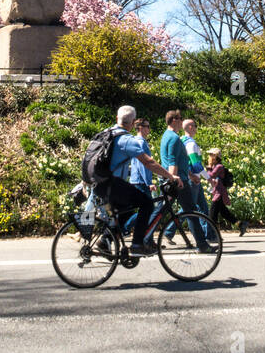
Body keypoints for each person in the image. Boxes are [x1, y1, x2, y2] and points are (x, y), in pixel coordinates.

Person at [102, 105, 181, 255]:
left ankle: (105, 240)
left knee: (126, 210)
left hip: (100, 182)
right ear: (133, 123)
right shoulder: (126, 139)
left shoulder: (107, 133)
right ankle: (138, 245)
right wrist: (170, 176)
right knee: (147, 204)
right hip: (112, 184)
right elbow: (148, 163)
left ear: (116, 119)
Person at [160, 110, 214, 249]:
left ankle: (147, 238)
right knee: (190, 212)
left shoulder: (172, 137)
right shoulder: (178, 139)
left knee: (167, 209)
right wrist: (175, 179)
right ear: (174, 120)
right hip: (180, 180)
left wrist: (189, 175)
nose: (196, 128)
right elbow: (178, 162)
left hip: (182, 178)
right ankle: (202, 244)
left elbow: (182, 162)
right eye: (179, 118)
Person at [206, 149, 246, 236]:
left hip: (219, 194)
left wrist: (208, 167)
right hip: (217, 192)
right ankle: (241, 224)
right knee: (225, 213)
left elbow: (211, 175)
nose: (208, 157)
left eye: (210, 155)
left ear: (215, 157)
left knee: (212, 215)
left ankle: (214, 235)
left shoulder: (219, 167)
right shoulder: (215, 166)